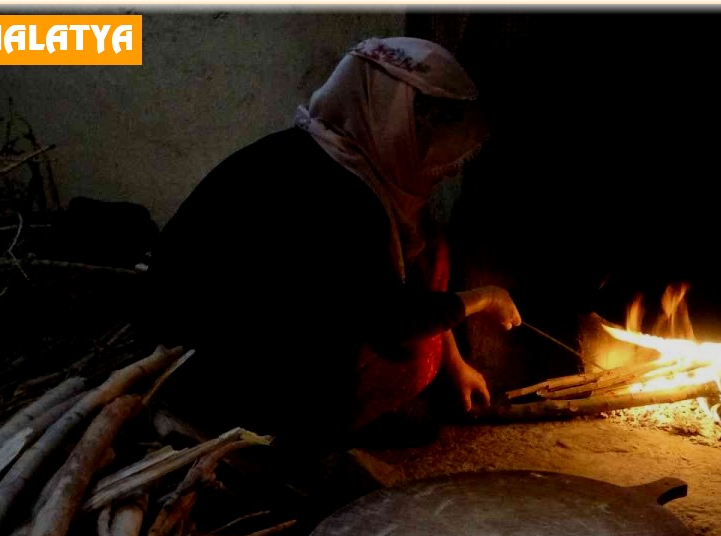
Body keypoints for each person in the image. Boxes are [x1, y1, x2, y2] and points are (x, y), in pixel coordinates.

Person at [143, 36, 521, 446]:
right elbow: (393, 319)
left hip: (238, 341)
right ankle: (308, 436)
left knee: (432, 253)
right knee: (414, 356)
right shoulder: (337, 194)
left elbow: (405, 283)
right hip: (213, 374)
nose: (445, 169)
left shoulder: (333, 157)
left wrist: (458, 364)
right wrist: (484, 297)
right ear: (388, 120)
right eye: (428, 139)